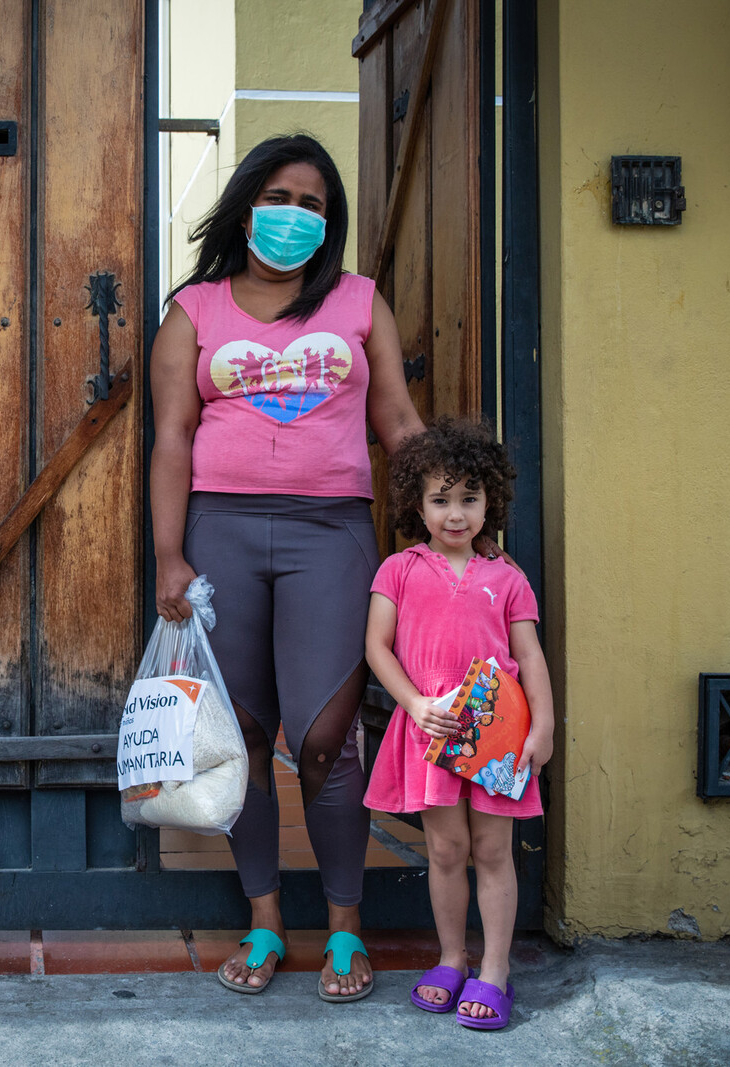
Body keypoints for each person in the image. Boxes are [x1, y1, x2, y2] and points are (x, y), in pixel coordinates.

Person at [150, 133, 427, 1002]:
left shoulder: (357, 302)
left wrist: (452, 523)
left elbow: (401, 427)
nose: (295, 216)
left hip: (332, 534)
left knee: (324, 741)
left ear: (329, 221)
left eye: (313, 204)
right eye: (280, 196)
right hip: (221, 534)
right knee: (245, 743)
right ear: (246, 202)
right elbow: (169, 440)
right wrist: (168, 555)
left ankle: (346, 931)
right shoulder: (194, 310)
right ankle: (265, 919)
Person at [362, 417, 555, 1031]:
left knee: (494, 850)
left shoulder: (508, 577)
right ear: (417, 505)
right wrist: (415, 705)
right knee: (446, 850)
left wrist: (543, 726)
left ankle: (494, 969)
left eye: (469, 499)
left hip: (497, 733)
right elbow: (377, 648)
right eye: (440, 499)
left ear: (489, 502)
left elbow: (528, 657)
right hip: (434, 728)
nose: (455, 513)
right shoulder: (397, 570)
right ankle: (451, 958)